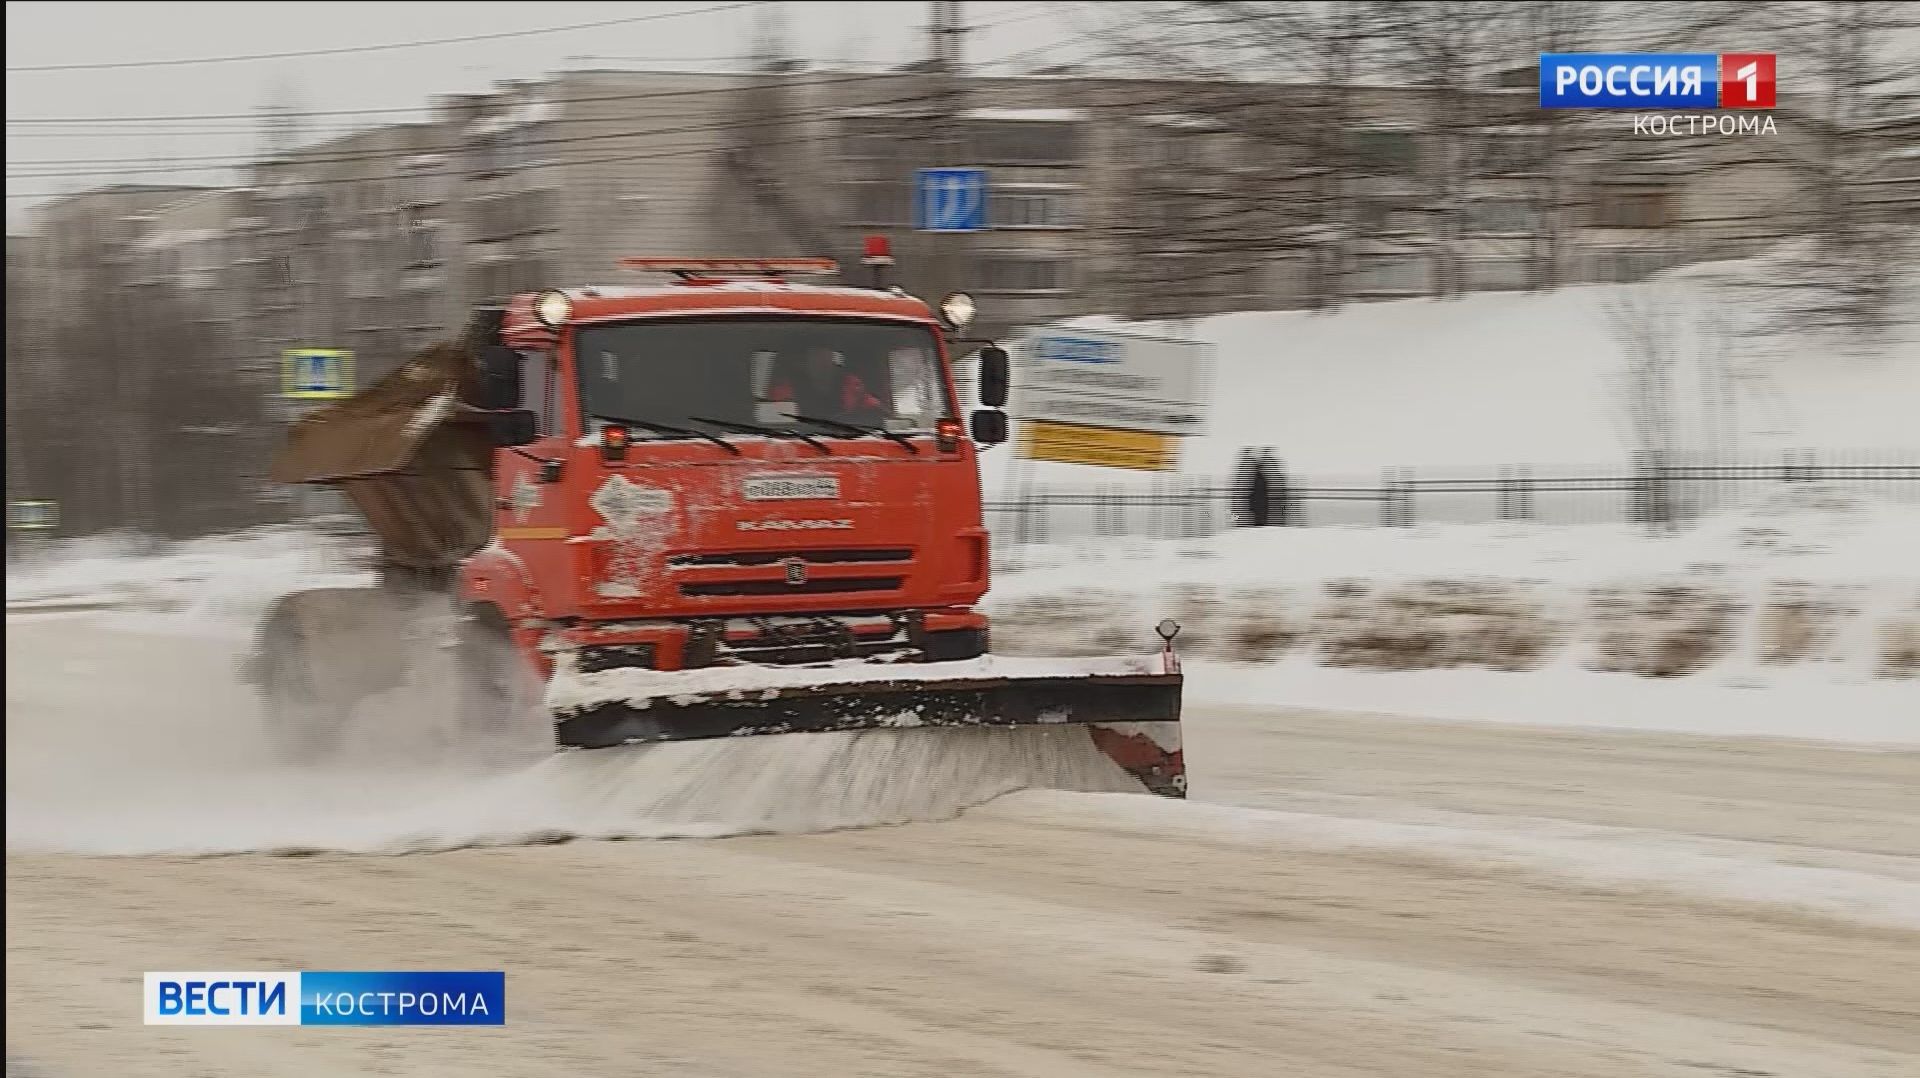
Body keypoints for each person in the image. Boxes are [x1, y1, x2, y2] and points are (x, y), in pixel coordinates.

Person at [765, 345, 885, 422]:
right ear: (804, 363)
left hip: (847, 435)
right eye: (815, 356)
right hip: (797, 439)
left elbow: (872, 407)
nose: (822, 362)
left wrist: (874, 409)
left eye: (826, 356)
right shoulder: (787, 388)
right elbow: (773, 416)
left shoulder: (852, 385)